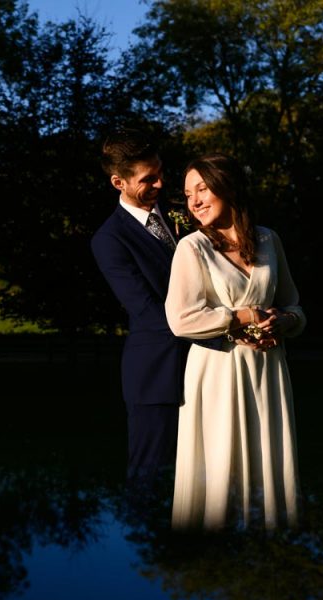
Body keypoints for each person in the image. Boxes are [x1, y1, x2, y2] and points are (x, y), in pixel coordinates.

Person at [164, 153, 305, 532]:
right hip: (217, 371)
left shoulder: (268, 239)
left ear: (229, 188)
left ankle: (271, 538)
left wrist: (284, 320)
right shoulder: (192, 248)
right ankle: (215, 544)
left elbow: (294, 304)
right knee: (220, 458)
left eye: (203, 189)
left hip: (268, 369)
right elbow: (181, 319)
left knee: (268, 457)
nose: (194, 201)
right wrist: (240, 316)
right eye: (188, 193)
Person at [90, 128, 223, 490]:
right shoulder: (109, 240)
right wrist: (226, 326)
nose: (162, 184)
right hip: (156, 375)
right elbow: (147, 311)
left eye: (162, 172)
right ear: (118, 181)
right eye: (149, 179)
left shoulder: (182, 215)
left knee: (208, 477)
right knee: (151, 479)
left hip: (211, 366)